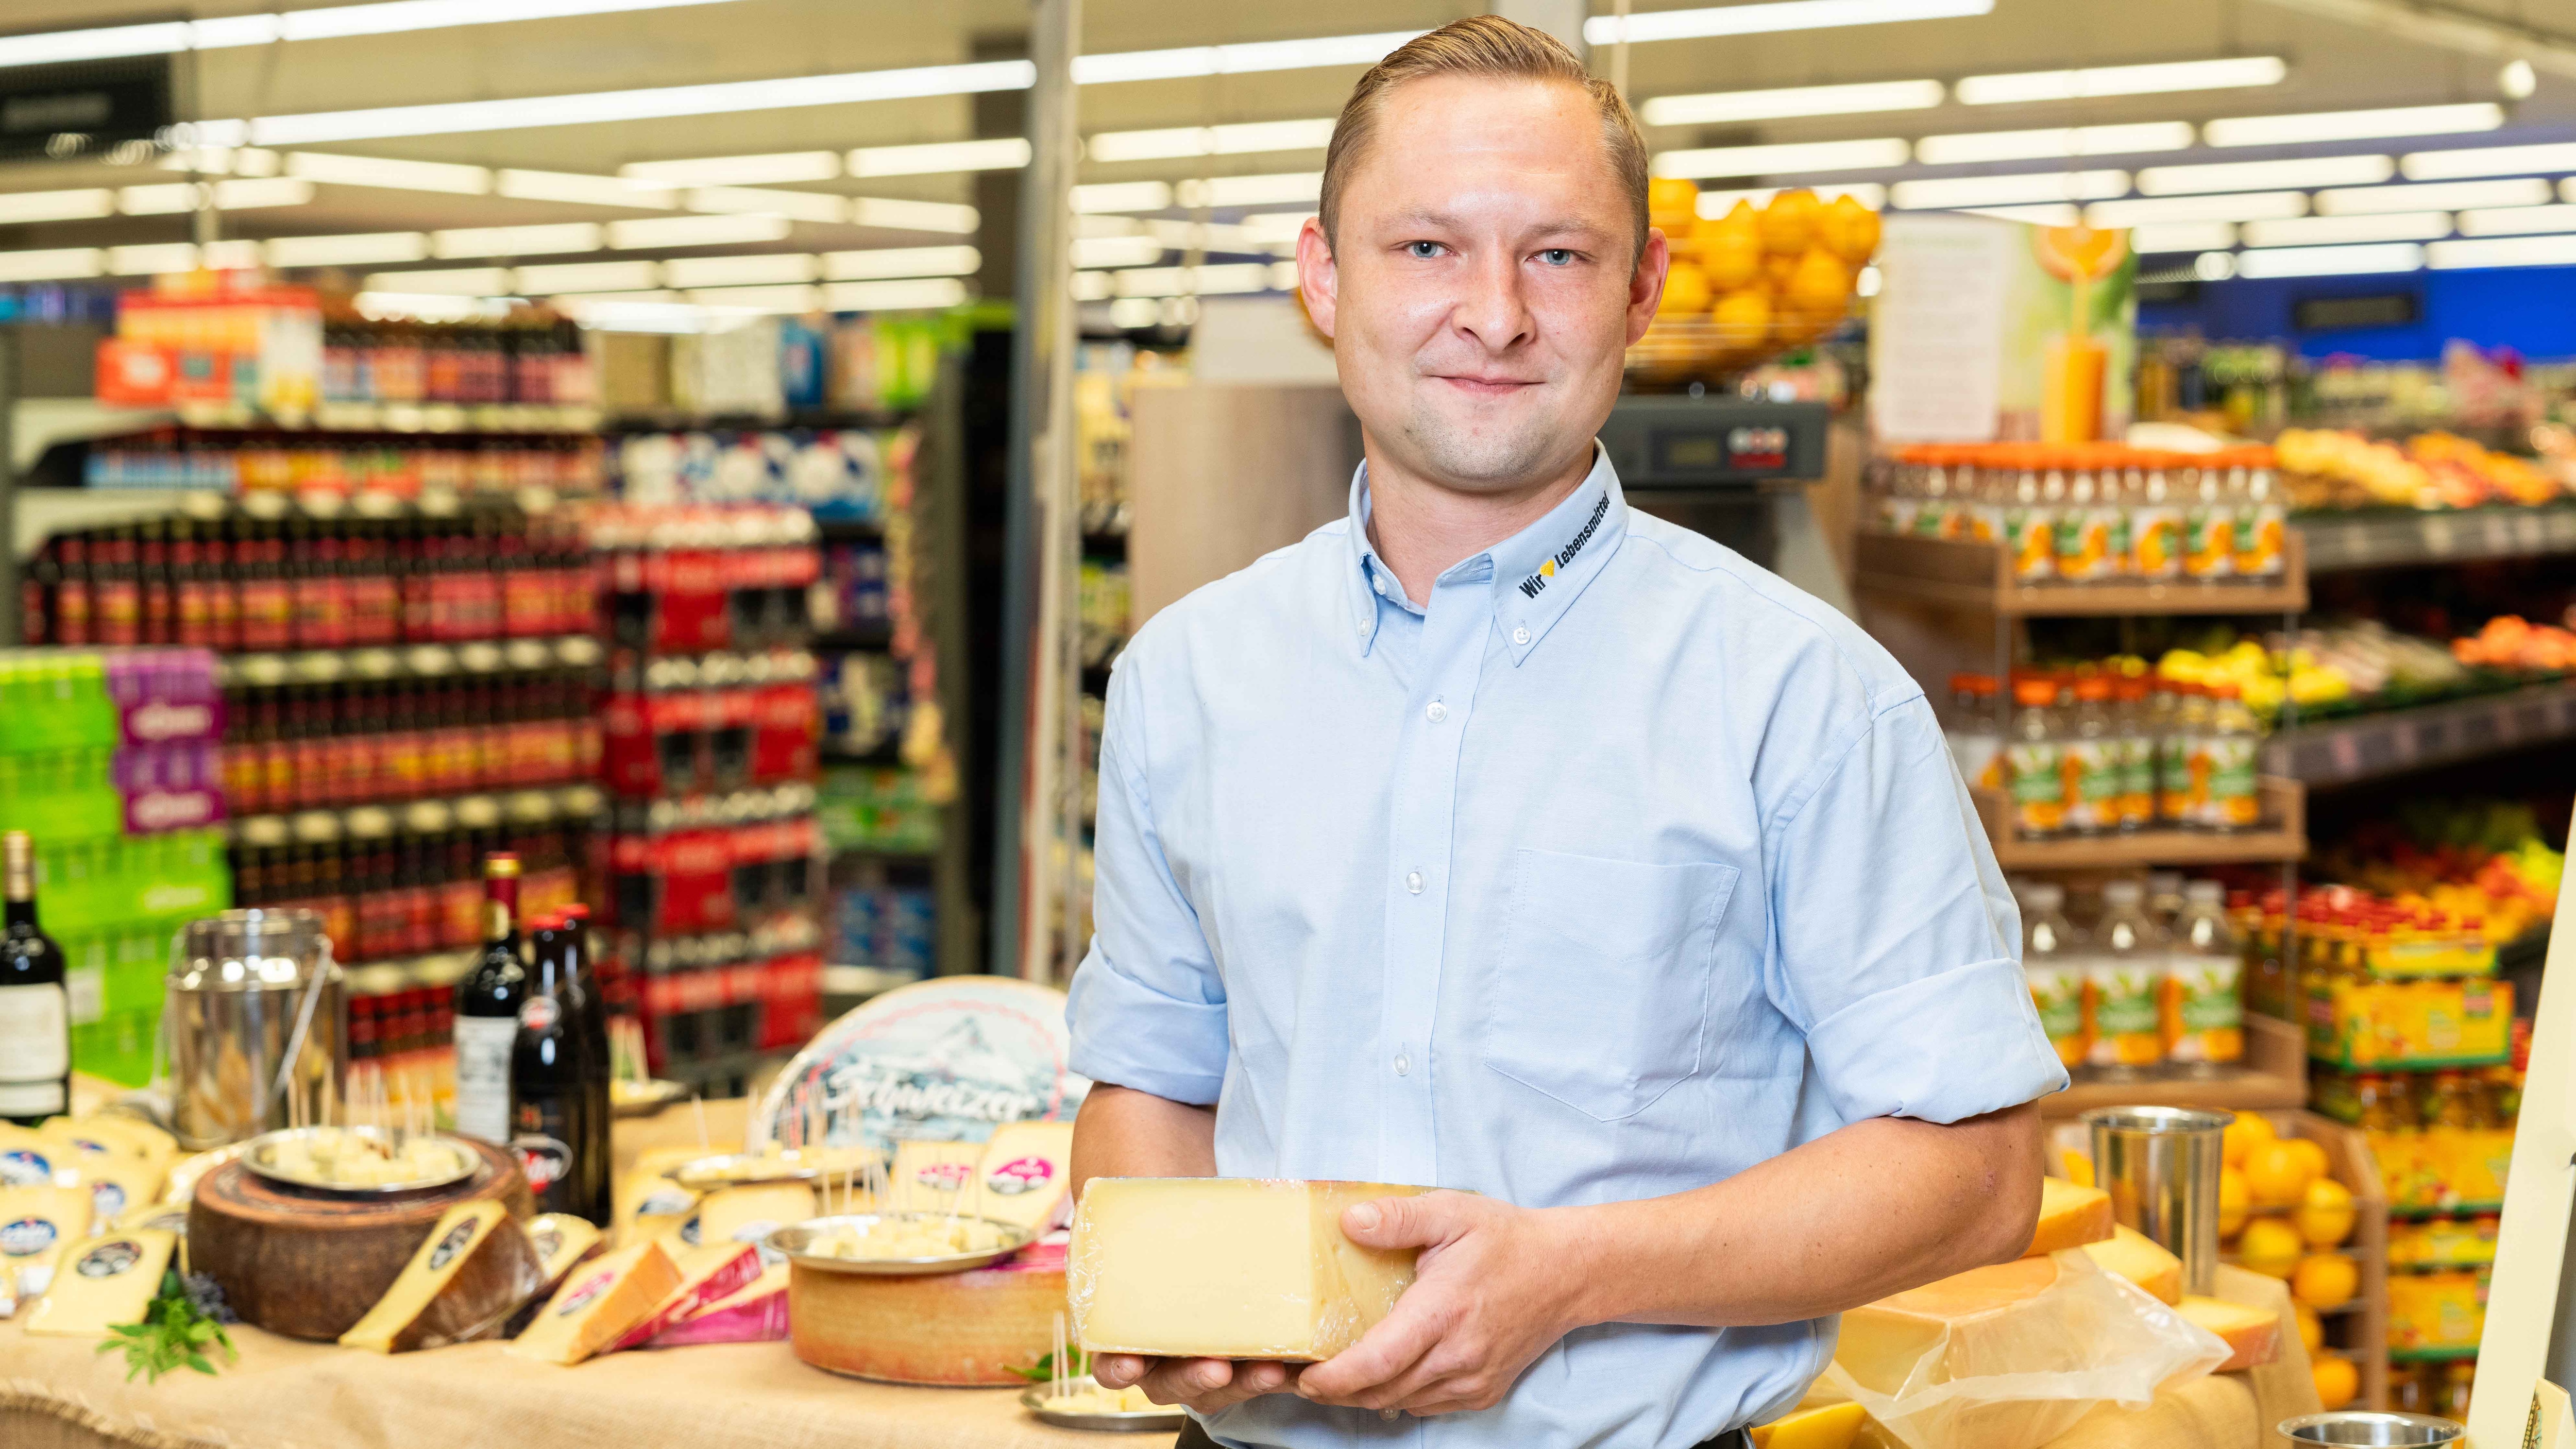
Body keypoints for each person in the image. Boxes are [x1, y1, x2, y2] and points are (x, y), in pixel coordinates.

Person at [1063, 16, 2067, 1449]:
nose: (1493, 313)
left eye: (1559, 254)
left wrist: (1572, 1279)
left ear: (1642, 288)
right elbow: (1152, 1077)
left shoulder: (1804, 696)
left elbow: (1979, 1173)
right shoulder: (1187, 678)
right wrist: (1164, 1292)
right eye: (1425, 249)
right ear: (1321, 278)